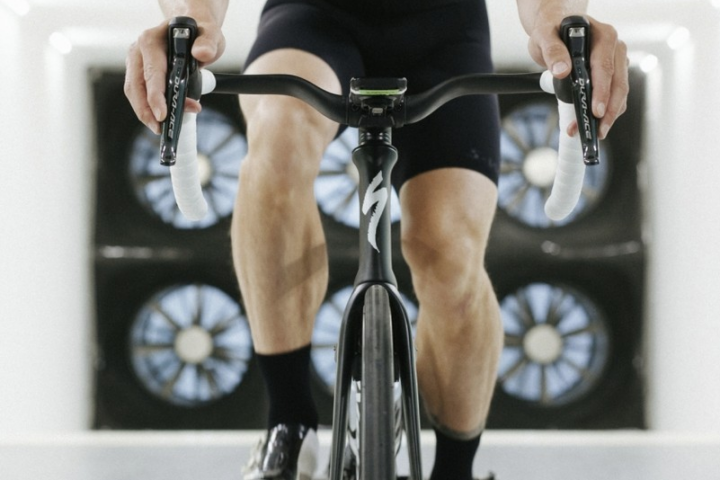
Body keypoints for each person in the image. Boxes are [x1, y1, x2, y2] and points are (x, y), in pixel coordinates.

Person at [125, 0, 628, 478]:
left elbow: (553, 11)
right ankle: (289, 420)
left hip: (446, 36)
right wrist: (189, 23)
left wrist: (562, 24)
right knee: (278, 137)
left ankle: (456, 469)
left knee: (449, 254)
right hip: (312, 20)